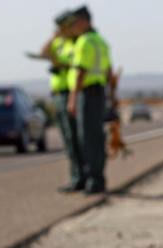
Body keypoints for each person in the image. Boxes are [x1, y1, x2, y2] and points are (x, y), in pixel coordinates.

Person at [67, 6, 115, 194]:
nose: (74, 27)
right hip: (99, 92)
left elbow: (80, 72)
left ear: (84, 21)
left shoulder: (84, 42)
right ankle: (98, 178)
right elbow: (109, 71)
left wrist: (72, 99)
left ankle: (93, 180)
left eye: (75, 22)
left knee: (87, 138)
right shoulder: (101, 41)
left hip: (87, 93)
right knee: (96, 136)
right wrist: (111, 96)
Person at [39, 11, 85, 193]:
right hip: (58, 93)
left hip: (69, 93)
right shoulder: (58, 42)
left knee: (76, 138)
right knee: (68, 139)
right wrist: (54, 37)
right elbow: (43, 52)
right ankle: (77, 176)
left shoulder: (75, 43)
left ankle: (81, 177)